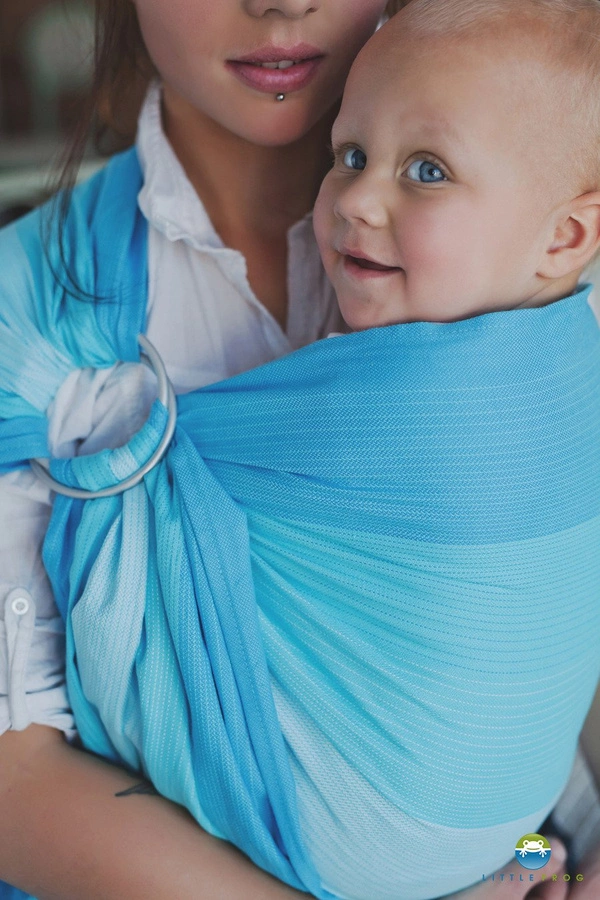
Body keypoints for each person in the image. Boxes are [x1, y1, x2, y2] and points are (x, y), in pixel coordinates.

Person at [0, 2, 595, 900]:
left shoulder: (541, 246)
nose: (282, 3)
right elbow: (15, 780)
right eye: (353, 160)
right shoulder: (29, 318)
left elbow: (558, 596)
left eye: (424, 170)